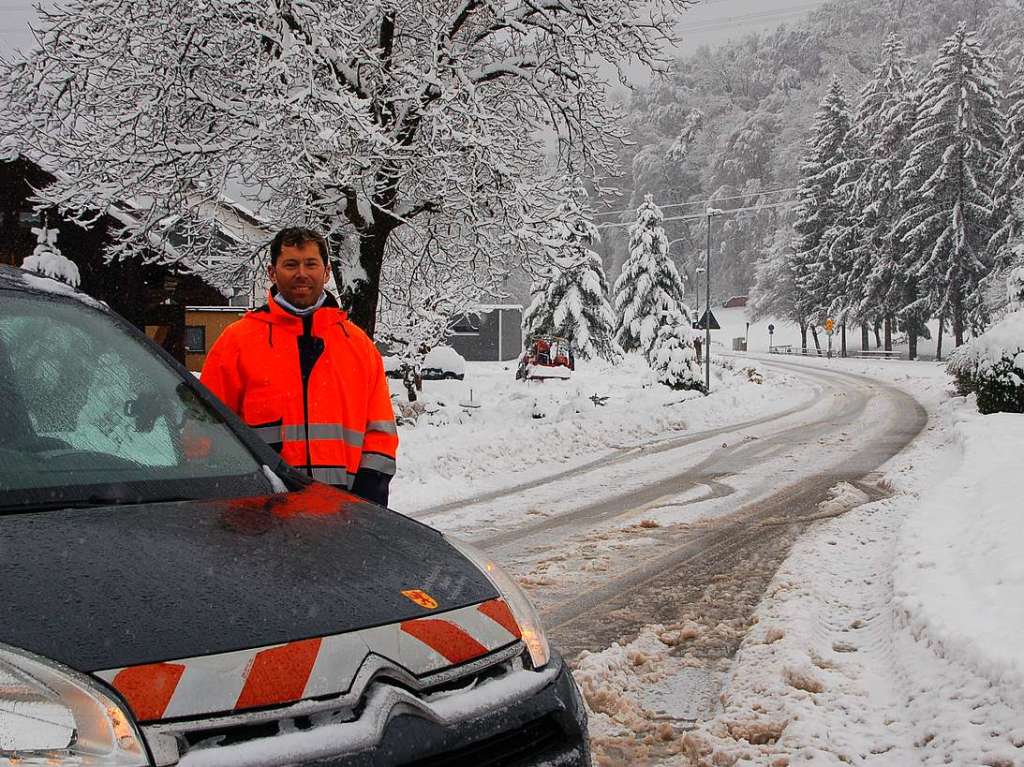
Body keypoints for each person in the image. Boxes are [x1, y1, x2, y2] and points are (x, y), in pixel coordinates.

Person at [201, 227, 397, 506]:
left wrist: (369, 495)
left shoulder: (358, 346)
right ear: (272, 272)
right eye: (290, 264)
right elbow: (208, 428)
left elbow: (380, 433)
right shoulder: (237, 343)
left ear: (327, 272)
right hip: (261, 516)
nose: (301, 273)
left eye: (311, 264)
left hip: (343, 514)